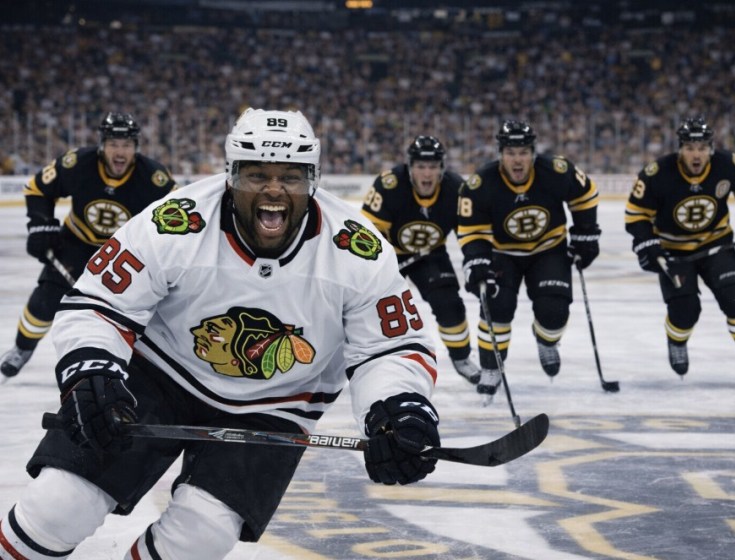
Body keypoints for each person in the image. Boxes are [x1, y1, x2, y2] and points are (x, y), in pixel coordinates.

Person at [0, 108, 440, 560]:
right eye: (256, 175)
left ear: (314, 179)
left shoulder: (358, 251)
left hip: (276, 404)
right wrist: (91, 371)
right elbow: (99, 303)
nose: (273, 189)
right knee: (59, 505)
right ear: (230, 176)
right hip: (159, 377)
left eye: (290, 176)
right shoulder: (174, 222)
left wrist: (397, 409)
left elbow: (393, 347)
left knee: (198, 538)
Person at [0, 112, 178, 379]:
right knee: (45, 302)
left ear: (136, 148)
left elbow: (176, 217)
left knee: (136, 312)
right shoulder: (78, 163)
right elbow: (38, 189)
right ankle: (21, 349)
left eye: (127, 145)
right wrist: (40, 225)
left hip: (123, 251)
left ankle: (141, 366)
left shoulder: (154, 178)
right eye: (114, 144)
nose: (120, 151)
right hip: (76, 242)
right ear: (102, 145)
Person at [625, 115, 735, 382]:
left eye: (702, 148)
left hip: (718, 245)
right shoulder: (657, 174)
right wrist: (647, 244)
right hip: (674, 252)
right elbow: (636, 213)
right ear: (680, 149)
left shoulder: (728, 164)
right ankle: (677, 341)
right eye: (690, 148)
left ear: (711, 148)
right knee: (685, 310)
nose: (696, 154)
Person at [457, 120, 601, 400]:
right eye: (511, 153)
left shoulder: (556, 171)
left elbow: (585, 195)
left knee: (555, 311)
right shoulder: (481, 183)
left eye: (523, 152)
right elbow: (471, 230)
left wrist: (585, 234)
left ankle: (547, 341)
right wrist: (477, 262)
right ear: (500, 154)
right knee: (497, 307)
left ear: (534, 153)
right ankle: (491, 367)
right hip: (503, 254)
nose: (517, 159)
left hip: (549, 249)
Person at [362, 135, 481, 385]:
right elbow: (367, 233)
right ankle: (364, 360)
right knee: (372, 310)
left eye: (432, 167)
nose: (426, 174)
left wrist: (477, 260)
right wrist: (380, 266)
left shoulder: (456, 189)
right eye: (420, 166)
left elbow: (471, 232)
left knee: (450, 305)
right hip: (389, 255)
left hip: (431, 253)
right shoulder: (389, 185)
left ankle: (461, 358)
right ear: (409, 166)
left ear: (442, 168)